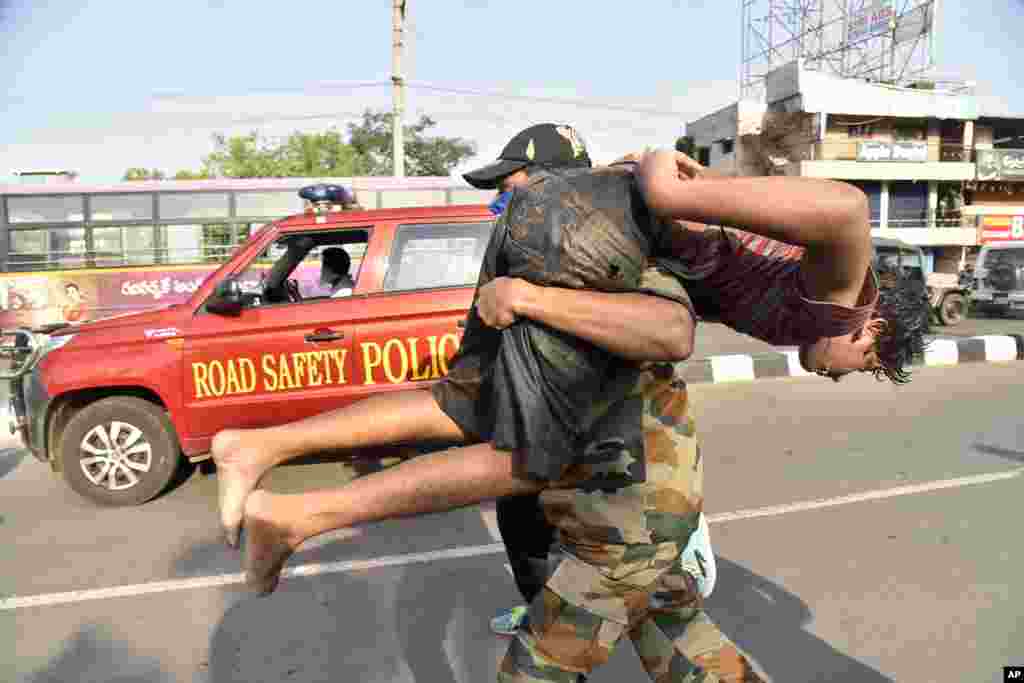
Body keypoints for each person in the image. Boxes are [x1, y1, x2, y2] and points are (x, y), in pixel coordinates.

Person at [213, 148, 929, 681]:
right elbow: (847, 209)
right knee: (535, 451)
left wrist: (659, 193)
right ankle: (300, 517)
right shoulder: (843, 294)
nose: (843, 371)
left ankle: (258, 447)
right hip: (586, 235)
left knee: (466, 403)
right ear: (875, 327)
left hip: (572, 224)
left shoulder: (783, 294)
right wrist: (672, 188)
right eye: (863, 363)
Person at [466, 145, 716, 638]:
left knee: (629, 613)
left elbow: (671, 332)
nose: (501, 201)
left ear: (561, 183)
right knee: (529, 535)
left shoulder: (621, 242)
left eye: (511, 186)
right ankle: (551, 619)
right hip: (546, 435)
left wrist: (530, 299)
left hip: (609, 464)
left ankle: (560, 629)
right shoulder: (534, 244)